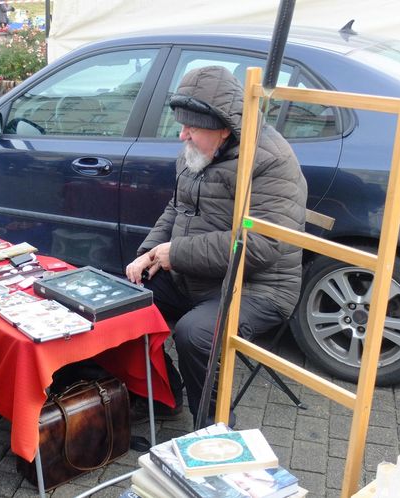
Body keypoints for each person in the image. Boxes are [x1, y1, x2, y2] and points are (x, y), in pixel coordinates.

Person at [126, 65, 307, 426]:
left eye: (191, 128)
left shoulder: (271, 160)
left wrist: (173, 254)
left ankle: (213, 429)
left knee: (195, 334)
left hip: (258, 287)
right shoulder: (198, 151)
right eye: (182, 125)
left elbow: (261, 244)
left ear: (224, 128)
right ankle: (163, 395)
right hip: (195, 275)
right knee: (123, 304)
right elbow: (176, 209)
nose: (182, 136)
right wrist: (149, 252)